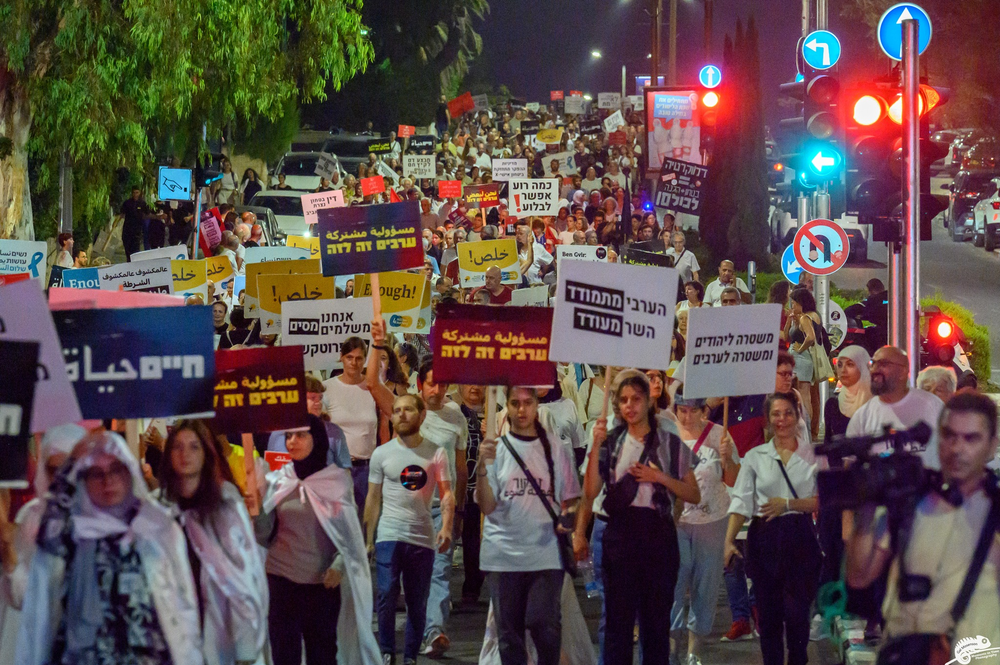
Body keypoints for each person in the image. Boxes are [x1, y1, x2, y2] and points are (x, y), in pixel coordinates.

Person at [16, 431, 202, 665]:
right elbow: (39, 612)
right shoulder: (65, 537)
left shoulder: (158, 529)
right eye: (96, 473)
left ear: (130, 472)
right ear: (83, 479)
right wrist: (73, 459)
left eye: (116, 469)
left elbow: (184, 608)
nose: (108, 480)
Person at [846, 391, 1000, 653]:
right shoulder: (909, 503)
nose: (957, 448)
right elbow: (859, 577)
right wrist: (864, 516)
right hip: (905, 652)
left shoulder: (995, 512)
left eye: (971, 438)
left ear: (992, 445)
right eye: (949, 436)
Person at [581, 371, 700, 665]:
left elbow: (693, 493)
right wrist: (596, 446)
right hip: (620, 537)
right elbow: (591, 490)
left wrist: (658, 477)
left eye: (636, 399)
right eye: (623, 400)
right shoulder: (610, 441)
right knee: (618, 625)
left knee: (655, 625)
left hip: (657, 536)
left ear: (648, 401)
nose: (629, 406)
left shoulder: (669, 442)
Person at [255, 414, 381, 665]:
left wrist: (338, 565)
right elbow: (262, 535)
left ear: (318, 439)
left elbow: (348, 536)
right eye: (288, 435)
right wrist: (257, 503)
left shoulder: (335, 481)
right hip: (281, 582)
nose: (292, 441)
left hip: (322, 586)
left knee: (322, 655)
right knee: (284, 655)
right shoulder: (279, 480)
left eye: (301, 435)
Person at [475, 387, 582, 665]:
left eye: (527, 403)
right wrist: (482, 467)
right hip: (503, 556)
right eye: (515, 403)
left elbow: (571, 498)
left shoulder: (553, 449)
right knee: (509, 637)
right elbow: (486, 506)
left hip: (544, 554)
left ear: (537, 406)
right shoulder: (496, 450)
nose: (521, 410)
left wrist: (567, 518)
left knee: (543, 623)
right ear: (507, 407)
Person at [157, 420, 268, 665]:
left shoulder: (225, 504)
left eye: (194, 447)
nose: (185, 454)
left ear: (206, 453)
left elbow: (244, 575)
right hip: (172, 631)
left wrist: (246, 646)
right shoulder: (156, 510)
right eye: (178, 447)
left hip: (218, 628)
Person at [724, 393, 821, 665]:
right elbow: (741, 500)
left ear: (797, 415)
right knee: (768, 618)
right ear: (767, 420)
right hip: (763, 540)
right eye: (776, 414)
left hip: (799, 538)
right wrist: (728, 541)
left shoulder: (812, 456)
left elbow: (822, 500)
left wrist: (788, 504)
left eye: (788, 413)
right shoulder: (755, 456)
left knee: (797, 615)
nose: (782, 420)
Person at [366, 395, 455, 665]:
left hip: (423, 537)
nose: (401, 415)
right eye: (396, 411)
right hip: (389, 535)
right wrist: (368, 538)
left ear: (421, 415)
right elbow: (373, 498)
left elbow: (447, 493)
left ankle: (410, 656)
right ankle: (387, 651)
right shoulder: (381, 454)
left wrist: (448, 527)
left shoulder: (436, 452)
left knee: (417, 601)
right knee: (386, 593)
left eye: (407, 409)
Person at [671, 391, 740, 665]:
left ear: (704, 411)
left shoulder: (719, 434)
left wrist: (728, 458)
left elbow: (733, 478)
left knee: (706, 586)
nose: (687, 417)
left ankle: (694, 649)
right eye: (682, 410)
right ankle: (672, 647)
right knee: (674, 583)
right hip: (677, 522)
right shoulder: (668, 433)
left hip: (712, 521)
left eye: (693, 410)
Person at [415, 362, 469, 658]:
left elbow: (461, 469)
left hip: (442, 508)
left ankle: (434, 631)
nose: (437, 390)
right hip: (409, 509)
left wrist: (458, 511)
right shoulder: (407, 410)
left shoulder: (455, 416)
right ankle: (417, 631)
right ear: (420, 384)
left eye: (443, 385)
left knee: (439, 571)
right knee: (414, 576)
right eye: (432, 384)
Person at [846, 346, 945, 468]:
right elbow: (850, 466)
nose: (875, 370)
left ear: (903, 371)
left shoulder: (932, 405)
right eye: (873, 363)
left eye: (883, 364)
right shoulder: (862, 416)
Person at [322, 337, 383, 516]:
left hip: (367, 469)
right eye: (349, 357)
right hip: (336, 469)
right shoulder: (327, 388)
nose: (354, 363)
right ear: (341, 357)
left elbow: (385, 426)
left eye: (359, 358)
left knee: (366, 528)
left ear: (365, 359)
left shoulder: (373, 387)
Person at [784, 289, 824, 439]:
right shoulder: (815, 316)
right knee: (806, 394)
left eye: (794, 303)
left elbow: (811, 337)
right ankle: (810, 431)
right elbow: (787, 335)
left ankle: (805, 429)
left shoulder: (805, 318)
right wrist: (790, 320)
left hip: (800, 357)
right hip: (807, 359)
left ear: (801, 302)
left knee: (802, 394)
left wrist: (799, 349)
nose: (792, 306)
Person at [824, 345, 873, 443]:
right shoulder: (833, 405)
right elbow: (828, 443)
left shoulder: (875, 403)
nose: (843, 370)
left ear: (862, 366)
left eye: (850, 364)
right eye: (840, 365)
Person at [119, 187, 151, 260]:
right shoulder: (127, 203)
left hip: (137, 231)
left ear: (139, 193)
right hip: (127, 230)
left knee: (135, 252)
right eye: (134, 192)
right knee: (127, 250)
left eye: (137, 192)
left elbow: (147, 214)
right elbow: (121, 214)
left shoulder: (142, 203)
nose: (135, 194)